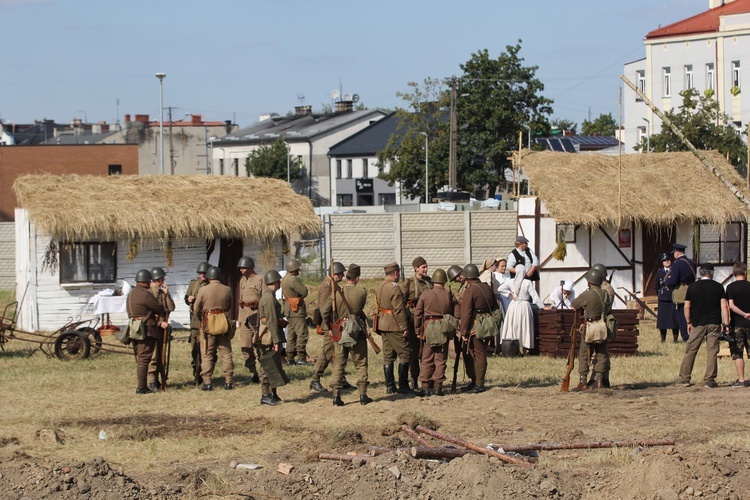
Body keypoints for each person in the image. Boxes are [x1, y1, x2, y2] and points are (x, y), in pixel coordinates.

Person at [677, 264, 729, 388]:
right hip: (714, 322)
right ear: (711, 273)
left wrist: (688, 322)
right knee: (712, 351)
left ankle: (684, 378)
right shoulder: (719, 287)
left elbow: (687, 307)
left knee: (691, 350)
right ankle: (709, 379)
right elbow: (724, 307)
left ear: (701, 273)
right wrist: (726, 324)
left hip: (697, 323)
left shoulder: (693, 287)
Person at [330, 263, 373, 406]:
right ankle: (362, 395)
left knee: (339, 364)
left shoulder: (336, 292)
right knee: (361, 364)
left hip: (340, 331)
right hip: (356, 332)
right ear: (357, 278)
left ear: (347, 276)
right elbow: (360, 309)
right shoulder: (362, 291)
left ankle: (336, 397)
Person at [414, 268, 460, 397]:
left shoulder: (425, 294)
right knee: (440, 359)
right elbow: (457, 313)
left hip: (428, 328)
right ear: (444, 281)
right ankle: (438, 387)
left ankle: (424, 387)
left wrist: (418, 330)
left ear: (433, 280)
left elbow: (418, 314)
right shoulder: (449, 295)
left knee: (426, 358)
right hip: (443, 329)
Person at [311, 262, 352, 392]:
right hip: (329, 324)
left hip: (334, 324)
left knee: (339, 352)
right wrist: (329, 328)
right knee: (327, 352)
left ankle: (340, 379)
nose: (343, 275)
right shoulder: (327, 286)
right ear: (334, 274)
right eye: (340, 273)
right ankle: (315, 380)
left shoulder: (333, 285)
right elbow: (324, 309)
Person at [459, 263, 499, 394]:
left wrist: (463, 331)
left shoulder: (470, 290)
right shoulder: (486, 287)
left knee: (479, 353)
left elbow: (466, 313)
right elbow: (494, 305)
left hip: (476, 325)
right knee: (475, 353)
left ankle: (479, 384)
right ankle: (475, 382)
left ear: (466, 276)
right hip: (487, 323)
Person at [194, 266, 235, 391]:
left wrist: (201, 319)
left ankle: (207, 382)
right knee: (226, 354)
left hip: (208, 323)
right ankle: (228, 381)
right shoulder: (227, 289)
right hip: (223, 321)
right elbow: (229, 306)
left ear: (209, 277)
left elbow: (196, 308)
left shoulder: (203, 290)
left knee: (207, 354)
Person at [570, 269, 611, 391]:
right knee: (602, 353)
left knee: (583, 354)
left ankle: (583, 382)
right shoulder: (605, 294)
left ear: (590, 282)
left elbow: (574, 303)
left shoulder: (587, 294)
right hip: (602, 327)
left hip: (589, 327)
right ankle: (599, 381)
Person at [127, 269, 167, 394]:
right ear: (146, 281)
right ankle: (141, 387)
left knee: (141, 357)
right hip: (146, 328)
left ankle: (143, 386)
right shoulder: (145, 293)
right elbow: (159, 308)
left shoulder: (131, 293)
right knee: (144, 358)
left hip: (134, 327)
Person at [376, 262, 411, 395]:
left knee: (388, 356)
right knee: (405, 353)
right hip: (394, 324)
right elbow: (399, 309)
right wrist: (403, 327)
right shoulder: (394, 288)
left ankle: (390, 385)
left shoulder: (381, 285)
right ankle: (403, 385)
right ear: (395, 273)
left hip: (383, 324)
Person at [257, 269, 288, 406]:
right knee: (267, 365)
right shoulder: (269, 298)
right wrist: (276, 340)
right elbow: (271, 320)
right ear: (275, 281)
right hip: (269, 336)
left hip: (271, 334)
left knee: (274, 364)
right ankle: (265, 395)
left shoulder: (269, 296)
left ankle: (272, 393)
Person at [401, 256, 433, 391]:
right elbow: (400, 303)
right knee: (414, 353)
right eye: (423, 267)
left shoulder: (429, 283)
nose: (426, 269)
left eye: (426, 267)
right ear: (416, 268)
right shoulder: (407, 283)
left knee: (428, 352)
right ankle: (414, 379)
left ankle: (428, 379)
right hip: (414, 321)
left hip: (428, 321)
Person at [500, 264, 541, 353]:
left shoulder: (512, 281)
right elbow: (535, 296)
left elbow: (501, 288)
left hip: (514, 306)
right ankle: (523, 349)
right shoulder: (527, 282)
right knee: (524, 326)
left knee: (514, 326)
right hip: (524, 306)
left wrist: (511, 293)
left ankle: (516, 348)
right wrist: (543, 307)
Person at [147, 267, 175, 391]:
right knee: (153, 354)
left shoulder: (162, 292)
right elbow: (149, 312)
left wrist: (167, 293)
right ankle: (152, 380)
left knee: (160, 355)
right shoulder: (149, 292)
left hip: (161, 328)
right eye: (162, 278)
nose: (164, 280)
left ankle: (158, 379)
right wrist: (160, 323)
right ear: (157, 279)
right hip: (153, 327)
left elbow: (171, 307)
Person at [663, 243, 697, 341]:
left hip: (681, 291)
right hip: (692, 289)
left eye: (674, 253)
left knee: (682, 314)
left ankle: (686, 336)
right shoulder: (692, 262)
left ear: (677, 253)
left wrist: (666, 282)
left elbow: (673, 280)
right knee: (692, 312)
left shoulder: (677, 264)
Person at [237, 256, 262, 384]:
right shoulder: (242, 281)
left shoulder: (259, 280)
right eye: (240, 268)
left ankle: (264, 373)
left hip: (257, 317)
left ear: (251, 268)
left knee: (260, 346)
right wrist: (240, 318)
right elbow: (240, 302)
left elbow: (265, 300)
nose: (241, 270)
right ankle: (253, 373)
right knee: (245, 347)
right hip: (245, 319)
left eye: (243, 267)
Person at [281, 258, 310, 365]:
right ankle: (301, 358)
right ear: (294, 269)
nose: (299, 270)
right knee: (302, 334)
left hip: (289, 310)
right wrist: (305, 288)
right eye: (297, 268)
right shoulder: (293, 280)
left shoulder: (284, 279)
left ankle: (290, 358)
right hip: (297, 311)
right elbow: (304, 292)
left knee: (291, 336)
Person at [185, 262, 210, 385]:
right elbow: (186, 298)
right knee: (195, 351)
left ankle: (206, 375)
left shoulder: (212, 284)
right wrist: (188, 299)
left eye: (204, 273)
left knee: (207, 350)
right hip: (195, 322)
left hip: (208, 321)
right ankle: (196, 375)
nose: (202, 275)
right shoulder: (193, 284)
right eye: (200, 273)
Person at [727, 262, 750, 387]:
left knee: (738, 353)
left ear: (733, 273)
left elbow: (731, 306)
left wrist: (743, 314)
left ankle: (741, 380)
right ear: (745, 272)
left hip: (737, 324)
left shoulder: (730, 287)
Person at [655, 253, 679, 343]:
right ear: (662, 262)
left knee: (675, 320)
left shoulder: (674, 270)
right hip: (663, 298)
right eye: (664, 260)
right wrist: (660, 294)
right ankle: (663, 339)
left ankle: (675, 339)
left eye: (668, 259)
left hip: (673, 296)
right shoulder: (659, 272)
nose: (667, 261)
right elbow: (656, 286)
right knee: (662, 321)